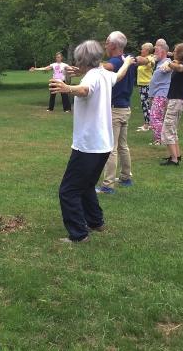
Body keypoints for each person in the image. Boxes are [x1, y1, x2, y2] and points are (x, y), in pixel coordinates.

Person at [49, 40, 134, 243]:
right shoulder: (104, 74)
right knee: (86, 185)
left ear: (82, 60)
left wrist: (67, 88)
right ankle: (96, 222)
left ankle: (78, 234)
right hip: (103, 145)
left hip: (88, 146)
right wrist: (128, 63)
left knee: (68, 191)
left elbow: (85, 90)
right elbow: (119, 75)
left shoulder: (92, 77)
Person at [97, 31, 137, 195]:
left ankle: (108, 185)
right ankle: (126, 177)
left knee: (111, 147)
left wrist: (88, 64)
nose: (105, 45)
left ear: (113, 45)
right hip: (125, 108)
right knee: (122, 146)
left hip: (114, 109)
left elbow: (106, 67)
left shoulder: (114, 62)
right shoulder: (129, 59)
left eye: (107, 42)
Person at [159, 43, 183, 166]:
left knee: (167, 129)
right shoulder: (182, 63)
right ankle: (176, 156)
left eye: (175, 51)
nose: (173, 52)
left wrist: (168, 63)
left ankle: (174, 160)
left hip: (177, 101)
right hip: (176, 101)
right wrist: (171, 58)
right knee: (172, 130)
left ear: (180, 53)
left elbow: (179, 68)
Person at [148, 40, 173, 145]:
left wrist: (168, 65)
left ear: (163, 52)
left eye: (157, 51)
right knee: (158, 117)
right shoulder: (160, 63)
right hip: (157, 94)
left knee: (155, 117)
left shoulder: (167, 62)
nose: (155, 53)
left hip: (161, 94)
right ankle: (162, 138)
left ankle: (160, 140)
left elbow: (169, 66)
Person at [134, 42, 155, 132]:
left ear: (147, 50)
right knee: (145, 105)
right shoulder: (145, 59)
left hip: (147, 85)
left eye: (142, 49)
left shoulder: (150, 59)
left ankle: (147, 125)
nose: (141, 50)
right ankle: (148, 123)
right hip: (142, 85)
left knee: (146, 105)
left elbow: (151, 62)